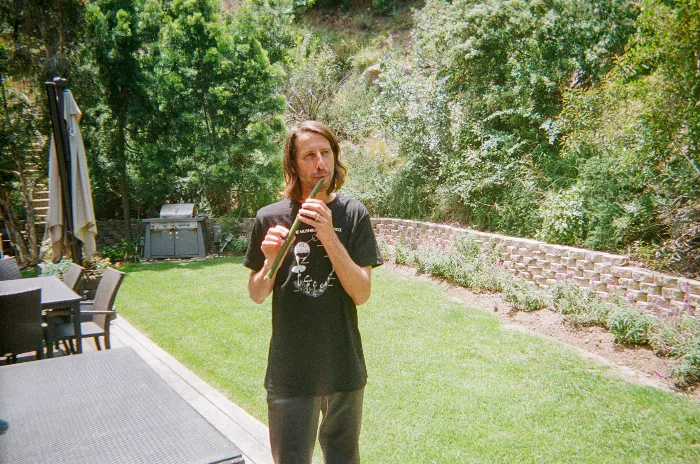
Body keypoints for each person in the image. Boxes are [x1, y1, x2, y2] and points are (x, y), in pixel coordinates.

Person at [244, 120, 383, 464]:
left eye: (326, 153)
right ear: (293, 164)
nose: (320, 163)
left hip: (343, 369)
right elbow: (257, 293)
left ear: (335, 158)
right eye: (309, 155)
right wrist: (270, 262)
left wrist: (328, 236)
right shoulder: (270, 217)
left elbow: (362, 293)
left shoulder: (353, 215)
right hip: (290, 371)